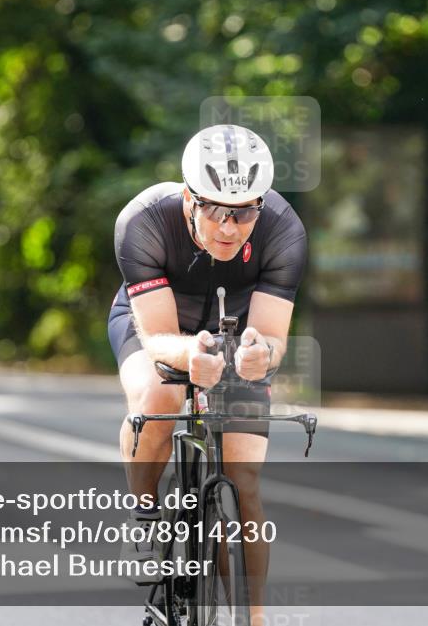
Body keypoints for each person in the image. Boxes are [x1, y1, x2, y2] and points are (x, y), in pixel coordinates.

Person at [109, 124, 307, 622]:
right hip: (157, 319)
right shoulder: (143, 220)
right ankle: (146, 514)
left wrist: (261, 356)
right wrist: (187, 358)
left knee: (243, 478)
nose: (228, 226)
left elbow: (272, 338)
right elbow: (155, 338)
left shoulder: (284, 230)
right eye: (215, 209)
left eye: (243, 214)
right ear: (187, 198)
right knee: (158, 396)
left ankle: (254, 616)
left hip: (235, 325)